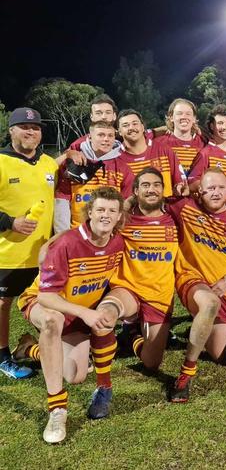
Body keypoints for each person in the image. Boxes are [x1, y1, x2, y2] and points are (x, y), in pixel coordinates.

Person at [16, 187, 125, 443]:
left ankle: (29, 349)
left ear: (120, 216)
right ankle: (57, 409)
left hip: (77, 314)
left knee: (75, 374)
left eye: (111, 211)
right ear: (89, 212)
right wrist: (85, 312)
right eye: (99, 209)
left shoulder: (117, 242)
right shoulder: (67, 243)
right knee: (52, 322)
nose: (105, 216)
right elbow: (46, 296)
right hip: (44, 303)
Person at [167, 168, 226, 402]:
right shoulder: (186, 207)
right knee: (208, 304)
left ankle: (200, 327)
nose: (216, 193)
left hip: (220, 290)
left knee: (219, 353)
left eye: (221, 188)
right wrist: (190, 188)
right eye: (210, 188)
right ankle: (186, 375)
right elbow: (155, 197)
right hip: (190, 278)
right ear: (200, 191)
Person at [0, 107, 58, 379]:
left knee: (46, 302)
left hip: (43, 253)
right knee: (3, 304)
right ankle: (2, 357)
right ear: (11, 130)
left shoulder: (48, 163)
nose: (30, 131)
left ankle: (34, 347)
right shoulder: (1, 161)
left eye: (35, 128)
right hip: (8, 252)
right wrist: (10, 222)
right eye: (23, 126)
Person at [105, 167, 179, 370]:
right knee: (106, 313)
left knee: (152, 362)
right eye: (145, 185)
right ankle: (100, 370)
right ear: (135, 191)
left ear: (163, 190)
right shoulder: (123, 221)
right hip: (128, 290)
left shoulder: (175, 220)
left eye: (156, 185)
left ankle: (132, 337)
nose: (151, 189)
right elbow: (88, 230)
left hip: (159, 296)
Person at [54, 120, 134, 232]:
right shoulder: (73, 162)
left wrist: (117, 231)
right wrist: (62, 235)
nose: (106, 139)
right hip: (77, 232)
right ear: (90, 137)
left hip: (107, 234)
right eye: (101, 135)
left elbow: (125, 204)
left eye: (110, 135)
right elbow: (62, 201)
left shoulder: (123, 167)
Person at [116, 109, 186, 199]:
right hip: (133, 212)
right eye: (125, 125)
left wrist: (180, 187)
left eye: (135, 123)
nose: (131, 128)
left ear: (142, 127)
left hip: (164, 210)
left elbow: (180, 182)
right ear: (119, 131)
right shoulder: (115, 159)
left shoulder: (164, 150)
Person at [187, 105, 226, 209]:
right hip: (214, 214)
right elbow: (192, 184)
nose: (225, 127)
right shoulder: (206, 153)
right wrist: (224, 182)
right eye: (220, 123)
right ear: (212, 126)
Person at [153, 98, 205, 171]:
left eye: (188, 114)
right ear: (171, 118)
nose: (184, 117)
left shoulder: (203, 143)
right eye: (179, 113)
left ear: (194, 118)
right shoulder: (158, 143)